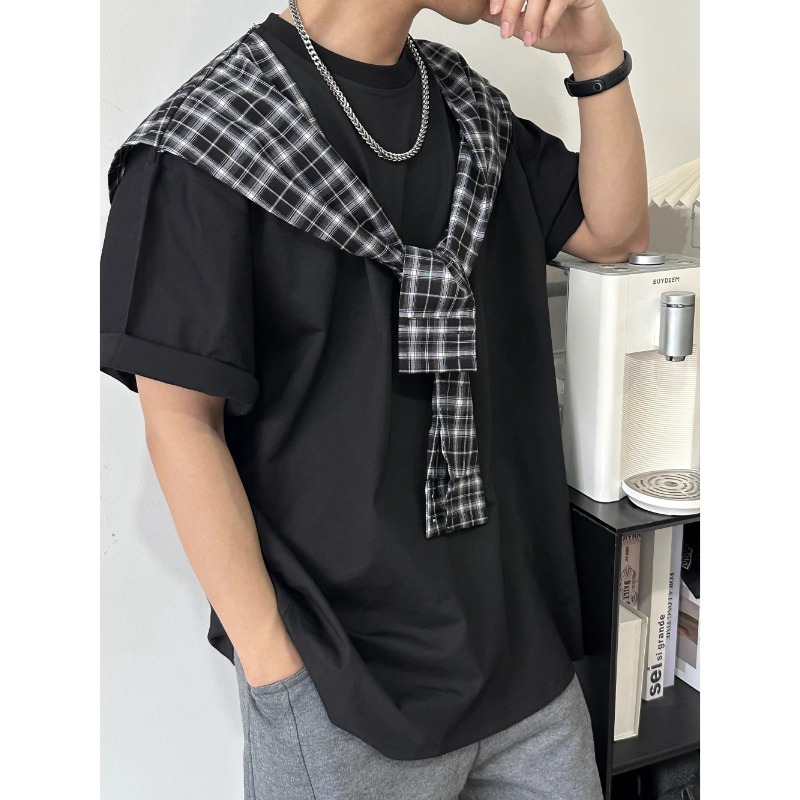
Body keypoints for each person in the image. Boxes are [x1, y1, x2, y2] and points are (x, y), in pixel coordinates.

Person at [100, 0, 647, 797]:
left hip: (522, 672)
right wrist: (277, 672)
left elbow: (614, 232)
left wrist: (597, 54)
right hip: (345, 691)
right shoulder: (203, 145)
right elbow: (180, 424)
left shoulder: (466, 110)